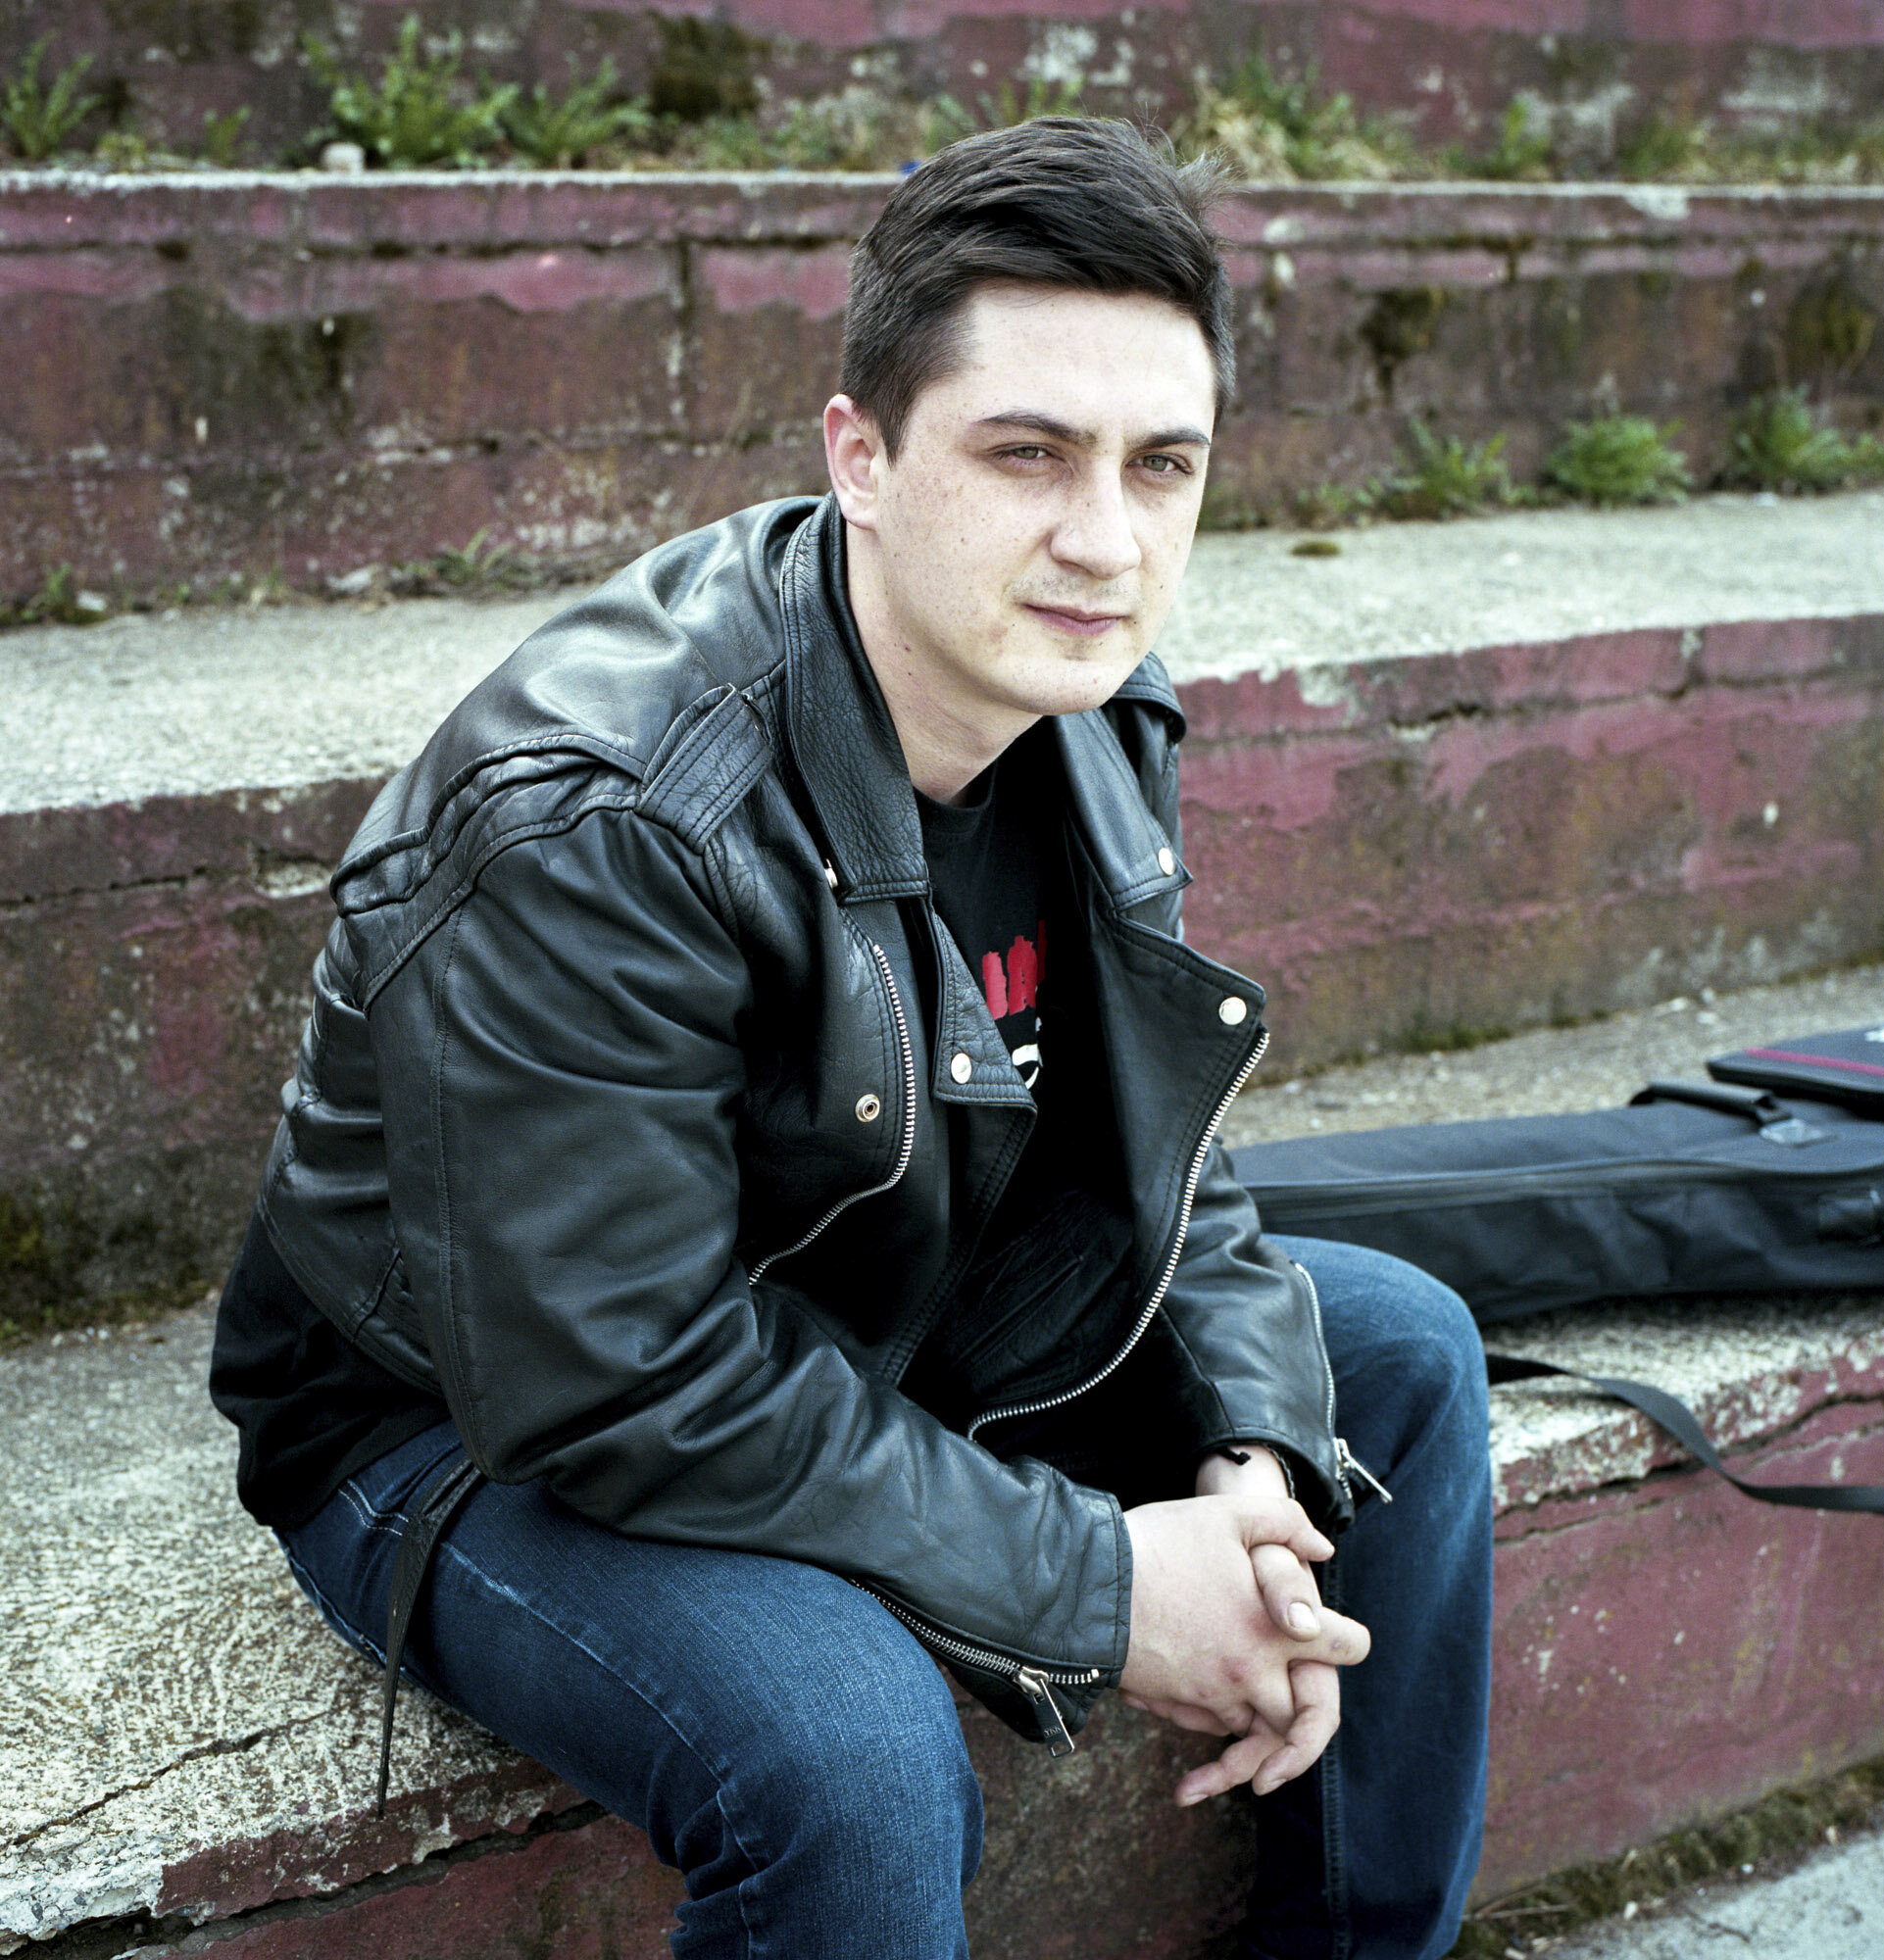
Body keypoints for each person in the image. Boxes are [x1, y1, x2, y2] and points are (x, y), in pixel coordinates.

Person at [210, 117, 1492, 1959]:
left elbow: (1150, 1150)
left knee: (1397, 1367)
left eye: (1162, 465)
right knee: (853, 1754)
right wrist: (1109, 1583)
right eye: (1028, 454)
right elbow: (615, 1377)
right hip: (466, 1414)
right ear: (862, 456)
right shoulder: (604, 812)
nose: (1103, 540)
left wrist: (1251, 1469)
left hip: (853, 1299)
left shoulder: (1088, 698)